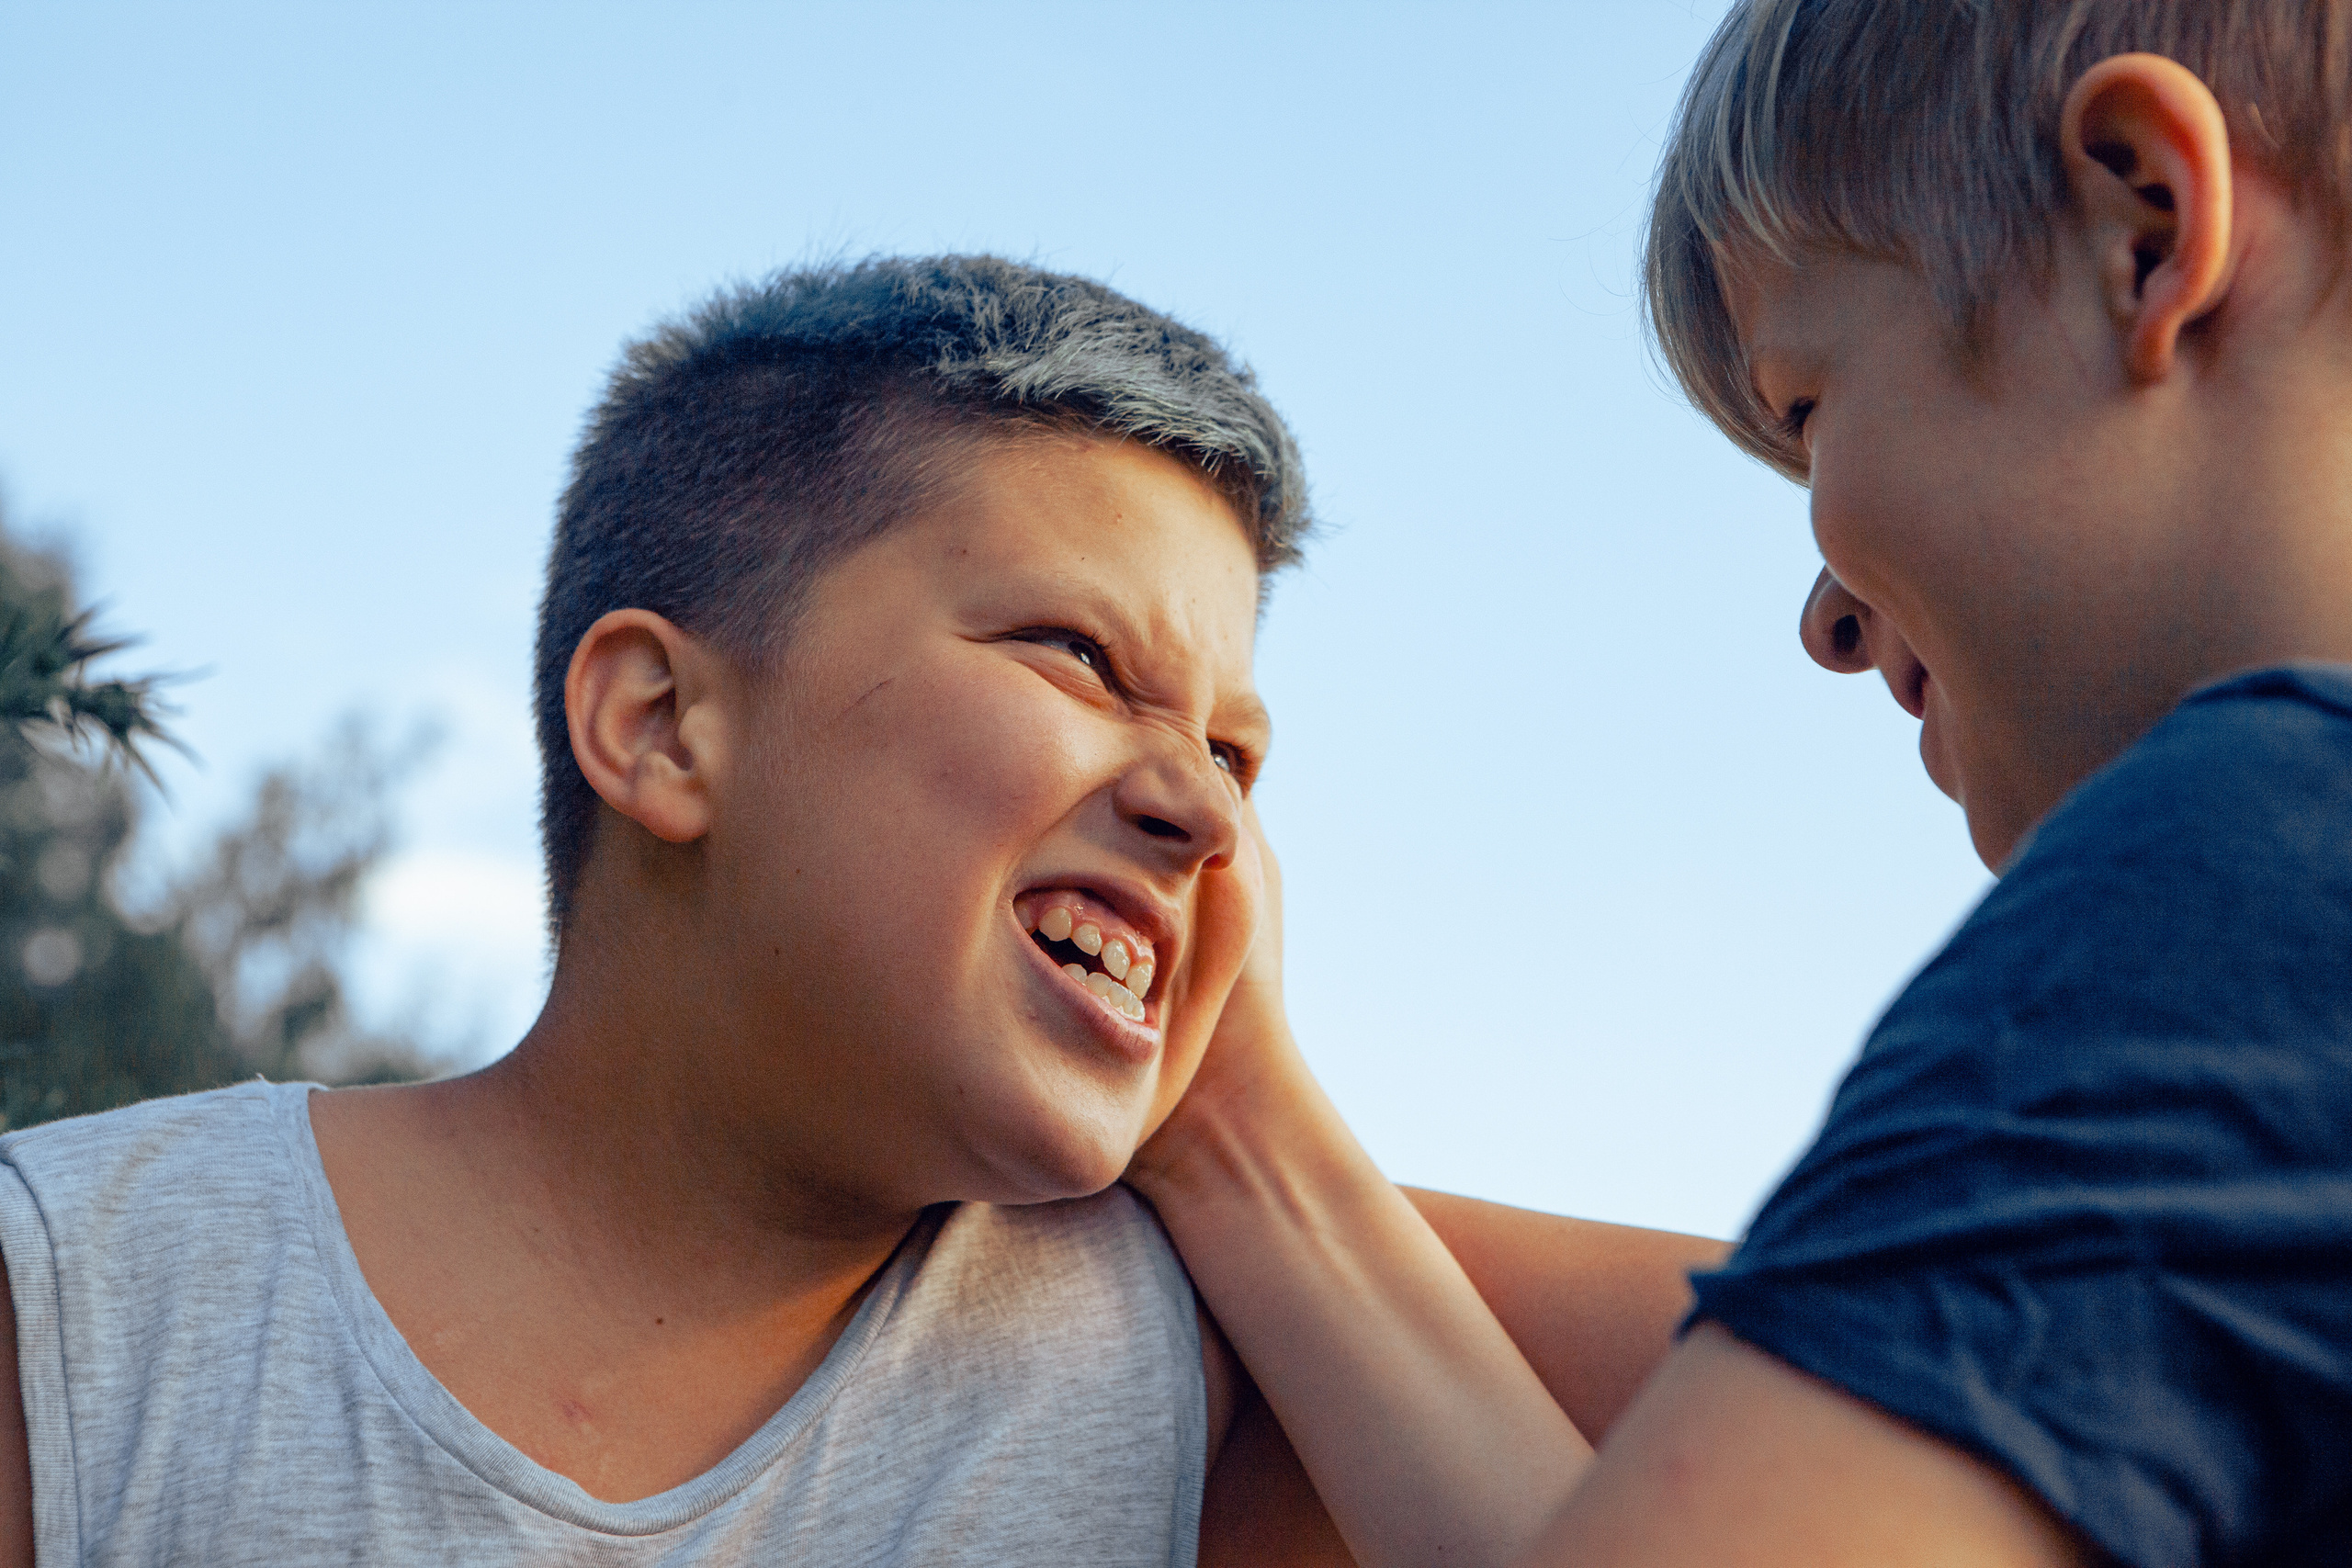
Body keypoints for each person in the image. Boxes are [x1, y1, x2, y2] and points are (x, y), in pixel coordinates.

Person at [0, 254, 1652, 1566]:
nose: (1207, 809)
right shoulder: (86, 1306)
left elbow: (1889, 1402)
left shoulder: (1223, 1347)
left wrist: (1249, 1142)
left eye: (1234, 748)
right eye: (1079, 657)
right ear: (660, 727)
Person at [1131, 3, 2352, 1564]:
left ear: (2146, 227)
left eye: (1810, 404)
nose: (1825, 619)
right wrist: (1234, 1138)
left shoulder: (2233, 878)